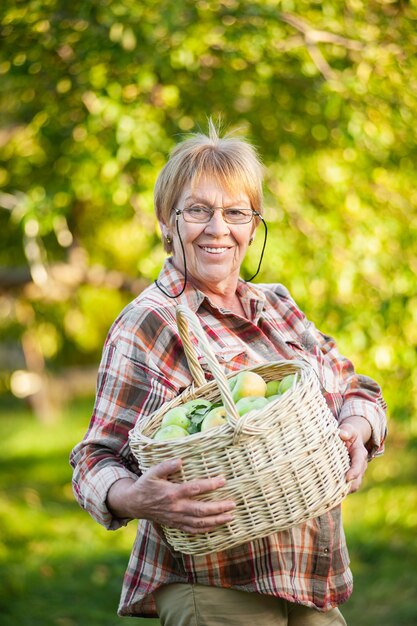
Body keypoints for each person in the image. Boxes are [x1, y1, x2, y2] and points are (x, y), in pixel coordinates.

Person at [70, 121, 387, 626]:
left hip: (308, 582)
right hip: (215, 585)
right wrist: (135, 497)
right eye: (198, 210)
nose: (218, 228)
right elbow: (93, 458)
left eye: (236, 212)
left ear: (253, 225)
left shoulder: (276, 306)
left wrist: (358, 427)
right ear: (165, 220)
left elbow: (354, 386)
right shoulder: (150, 322)